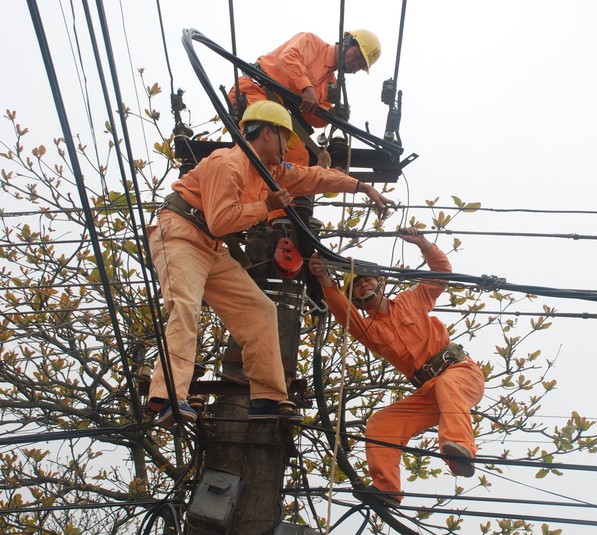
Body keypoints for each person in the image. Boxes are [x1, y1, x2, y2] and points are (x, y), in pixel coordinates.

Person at [147, 100, 394, 426]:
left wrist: (361, 186)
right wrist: (266, 205)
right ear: (265, 133)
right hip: (180, 235)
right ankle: (168, 397)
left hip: (209, 246)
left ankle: (266, 399)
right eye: (284, 139)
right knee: (185, 308)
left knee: (260, 310)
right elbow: (221, 221)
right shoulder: (228, 164)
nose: (287, 148)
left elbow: (315, 176)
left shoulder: (270, 171)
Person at [308, 229, 486, 506]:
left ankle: (460, 451)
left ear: (380, 284)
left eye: (367, 280)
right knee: (381, 423)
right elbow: (341, 310)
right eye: (357, 285)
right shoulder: (368, 328)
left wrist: (424, 244)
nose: (364, 285)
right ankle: (388, 489)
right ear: (354, 298)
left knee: (447, 384)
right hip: (431, 391)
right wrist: (322, 277)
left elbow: (442, 273)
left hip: (460, 373)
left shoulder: (411, 299)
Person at [229, 29, 381, 166]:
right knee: (271, 143)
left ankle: (279, 195)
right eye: (357, 56)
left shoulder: (331, 83)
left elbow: (312, 117)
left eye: (361, 65)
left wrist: (333, 114)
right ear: (346, 41)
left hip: (277, 110)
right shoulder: (312, 43)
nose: (356, 65)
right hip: (254, 89)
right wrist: (306, 87)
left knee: (298, 157)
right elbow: (287, 58)